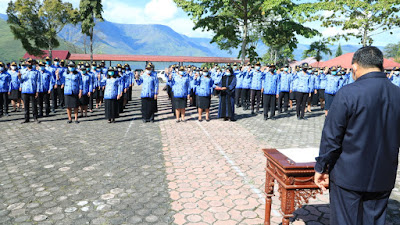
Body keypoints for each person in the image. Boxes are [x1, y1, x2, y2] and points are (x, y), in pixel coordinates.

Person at [314, 46, 400, 225]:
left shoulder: (348, 93)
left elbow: (331, 138)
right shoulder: (397, 94)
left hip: (348, 175)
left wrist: (321, 166)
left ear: (355, 67)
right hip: (383, 175)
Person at [20, 59, 40, 123]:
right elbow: (20, 81)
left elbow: (38, 82)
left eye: (31, 62)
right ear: (26, 62)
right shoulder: (22, 71)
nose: (29, 63)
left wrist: (37, 91)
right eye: (28, 62)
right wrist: (19, 78)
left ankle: (35, 118)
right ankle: (26, 118)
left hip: (32, 90)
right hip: (25, 90)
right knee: (26, 105)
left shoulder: (36, 72)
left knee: (34, 105)